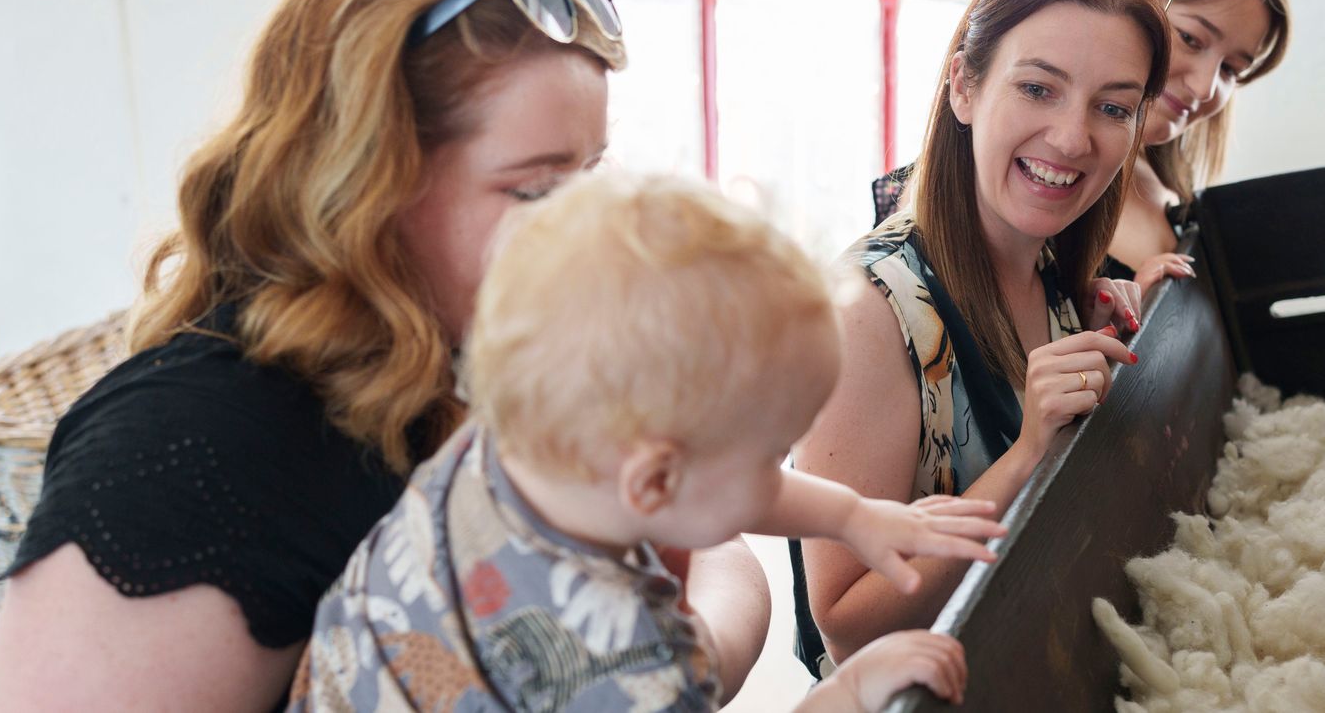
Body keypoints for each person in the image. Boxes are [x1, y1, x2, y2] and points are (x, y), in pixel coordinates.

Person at [0, 0, 768, 711]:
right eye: (532, 190)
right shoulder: (182, 454)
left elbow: (707, 554)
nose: (587, 227)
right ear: (364, 189)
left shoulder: (482, 346)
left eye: (590, 176)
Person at [292, 171, 1000, 711]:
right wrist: (849, 693)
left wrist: (852, 515)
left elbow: (713, 478)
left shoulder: (497, 451)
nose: (780, 471)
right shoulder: (633, 670)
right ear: (654, 483)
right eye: (770, 455)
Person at [794, 0, 1176, 670]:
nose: (1072, 138)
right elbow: (844, 628)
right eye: (1037, 88)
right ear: (964, 87)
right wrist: (1030, 452)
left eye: (1113, 107)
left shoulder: (1057, 268)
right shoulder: (869, 310)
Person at [1105, 0, 1292, 295]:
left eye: (1231, 69)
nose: (1206, 87)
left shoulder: (1171, 191)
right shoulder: (1042, 185)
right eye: (1191, 38)